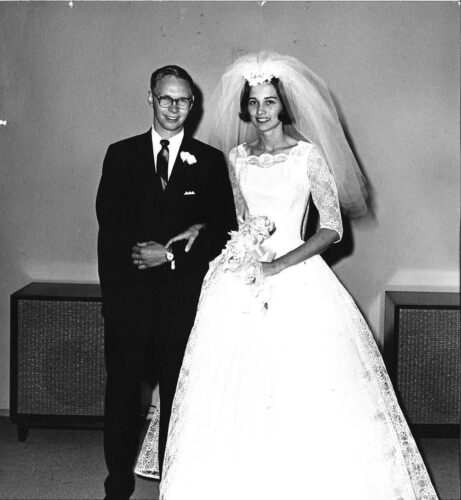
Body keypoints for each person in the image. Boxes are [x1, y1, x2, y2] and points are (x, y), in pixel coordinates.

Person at [139, 52, 438, 499]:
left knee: (302, 386)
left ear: (284, 105)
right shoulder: (236, 158)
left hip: (296, 275)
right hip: (241, 276)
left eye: (270, 102)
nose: (261, 111)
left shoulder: (307, 156)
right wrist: (203, 231)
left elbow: (331, 228)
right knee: (234, 384)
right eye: (254, 102)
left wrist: (278, 265)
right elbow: (233, 219)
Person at [96, 64, 237, 499]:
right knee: (122, 399)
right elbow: (109, 231)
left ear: (193, 105)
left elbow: (223, 229)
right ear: (151, 98)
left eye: (183, 100)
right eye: (165, 99)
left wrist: (172, 255)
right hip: (130, 304)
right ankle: (117, 484)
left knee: (179, 401)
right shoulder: (120, 155)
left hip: (182, 305)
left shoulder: (209, 162)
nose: (173, 108)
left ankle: (173, 487)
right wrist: (115, 302)